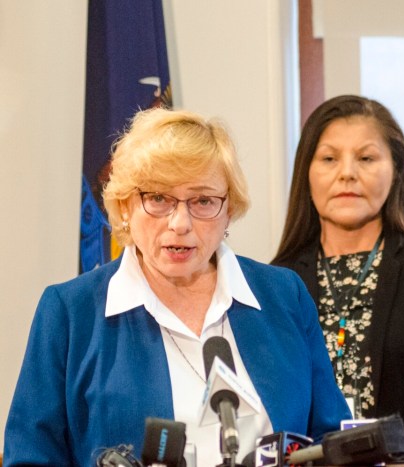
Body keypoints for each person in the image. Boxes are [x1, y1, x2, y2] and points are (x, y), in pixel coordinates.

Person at [4, 108, 350, 466]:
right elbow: (31, 457)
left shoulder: (282, 294)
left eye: (203, 201)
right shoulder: (70, 312)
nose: (180, 223)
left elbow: (332, 439)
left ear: (228, 209)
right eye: (158, 199)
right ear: (125, 206)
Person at [272, 95, 404, 452]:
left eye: (366, 158)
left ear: (396, 170)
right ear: (306, 173)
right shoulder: (276, 284)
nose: (347, 173)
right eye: (329, 158)